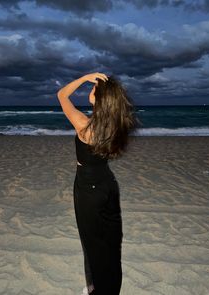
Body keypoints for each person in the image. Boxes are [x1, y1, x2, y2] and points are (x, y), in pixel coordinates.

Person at [57, 73, 139, 295]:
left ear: (100, 98)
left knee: (93, 244)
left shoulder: (84, 125)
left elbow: (61, 95)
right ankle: (108, 288)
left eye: (93, 90)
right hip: (108, 184)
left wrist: (84, 78)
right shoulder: (114, 124)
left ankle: (99, 290)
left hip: (88, 188)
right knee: (111, 243)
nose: (89, 91)